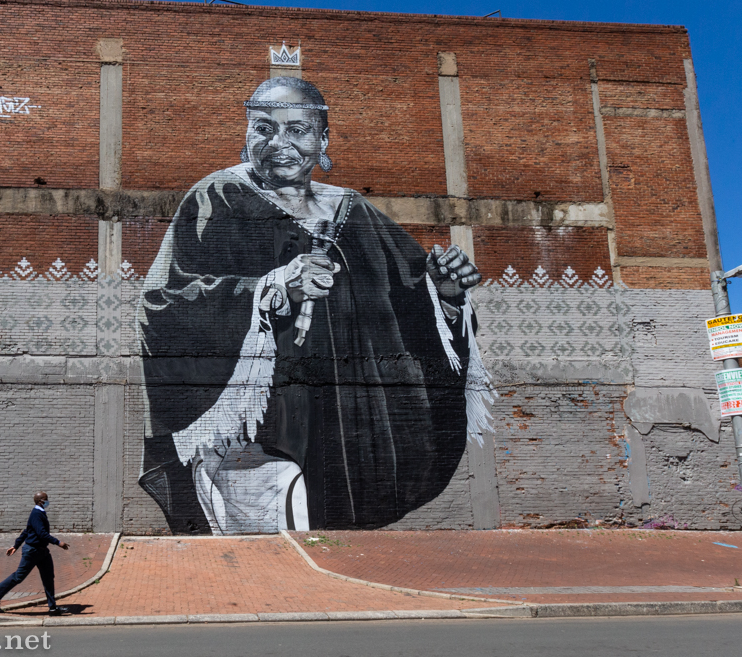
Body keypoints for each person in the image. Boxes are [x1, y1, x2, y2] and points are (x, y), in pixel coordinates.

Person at [136, 76, 496, 535]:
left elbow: (408, 306)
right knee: (274, 530)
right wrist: (274, 287)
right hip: (262, 423)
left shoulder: (354, 210)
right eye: (264, 128)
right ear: (246, 135)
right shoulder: (217, 198)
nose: (279, 143)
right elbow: (162, 303)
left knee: (331, 538)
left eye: (297, 130)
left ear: (322, 140)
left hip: (348, 423)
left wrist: (444, 293)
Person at [0, 491, 69, 615]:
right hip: (32, 551)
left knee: (48, 578)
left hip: (42, 552)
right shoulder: (36, 514)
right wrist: (58, 542)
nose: (48, 501)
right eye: (46, 499)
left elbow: (27, 530)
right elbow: (41, 533)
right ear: (40, 501)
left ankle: (52, 608)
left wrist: (16, 545)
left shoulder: (39, 513)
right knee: (19, 576)